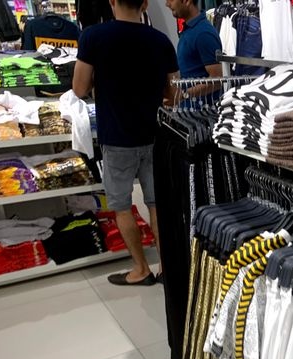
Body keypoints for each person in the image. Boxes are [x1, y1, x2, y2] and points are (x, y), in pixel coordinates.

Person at [73, 0, 179, 286]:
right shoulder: (161, 40)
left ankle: (141, 269)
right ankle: (167, 269)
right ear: (145, 4)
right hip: (155, 135)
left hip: (117, 136)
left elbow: (79, 88)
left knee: (122, 206)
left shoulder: (93, 37)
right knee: (157, 205)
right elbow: (174, 93)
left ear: (111, 2)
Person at [165, 0, 223, 99]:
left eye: (171, 0)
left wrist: (183, 95)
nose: (167, 4)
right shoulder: (190, 29)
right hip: (190, 106)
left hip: (203, 107)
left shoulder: (203, 33)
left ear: (187, 1)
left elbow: (217, 80)